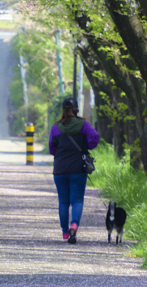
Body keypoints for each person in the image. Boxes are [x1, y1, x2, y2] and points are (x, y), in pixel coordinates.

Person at [49, 96, 99, 244]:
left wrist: (60, 154)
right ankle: (74, 225)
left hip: (60, 169)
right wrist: (86, 146)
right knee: (77, 200)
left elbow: (52, 148)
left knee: (63, 201)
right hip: (78, 168)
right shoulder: (83, 125)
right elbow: (94, 137)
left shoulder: (55, 127)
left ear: (63, 110)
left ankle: (65, 233)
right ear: (76, 109)